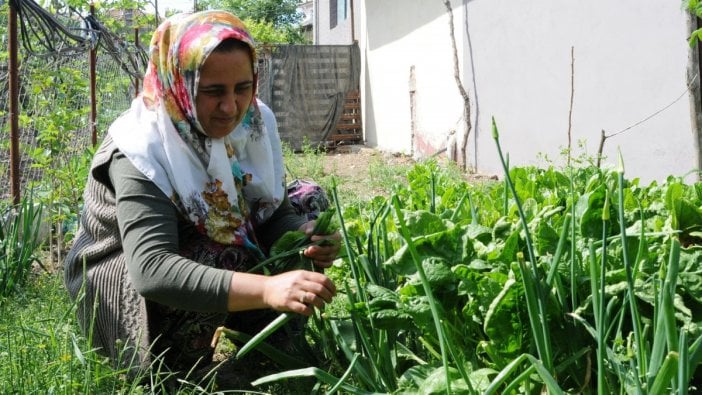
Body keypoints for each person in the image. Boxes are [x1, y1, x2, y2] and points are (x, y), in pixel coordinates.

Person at [63, 10, 340, 381]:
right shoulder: (142, 146)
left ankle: (267, 337)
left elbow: (272, 213)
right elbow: (152, 270)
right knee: (224, 250)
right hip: (122, 279)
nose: (231, 107)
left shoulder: (254, 121)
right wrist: (268, 287)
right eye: (212, 92)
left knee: (309, 201)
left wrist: (304, 236)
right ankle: (179, 368)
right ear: (180, 83)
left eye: (243, 88)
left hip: (200, 246)